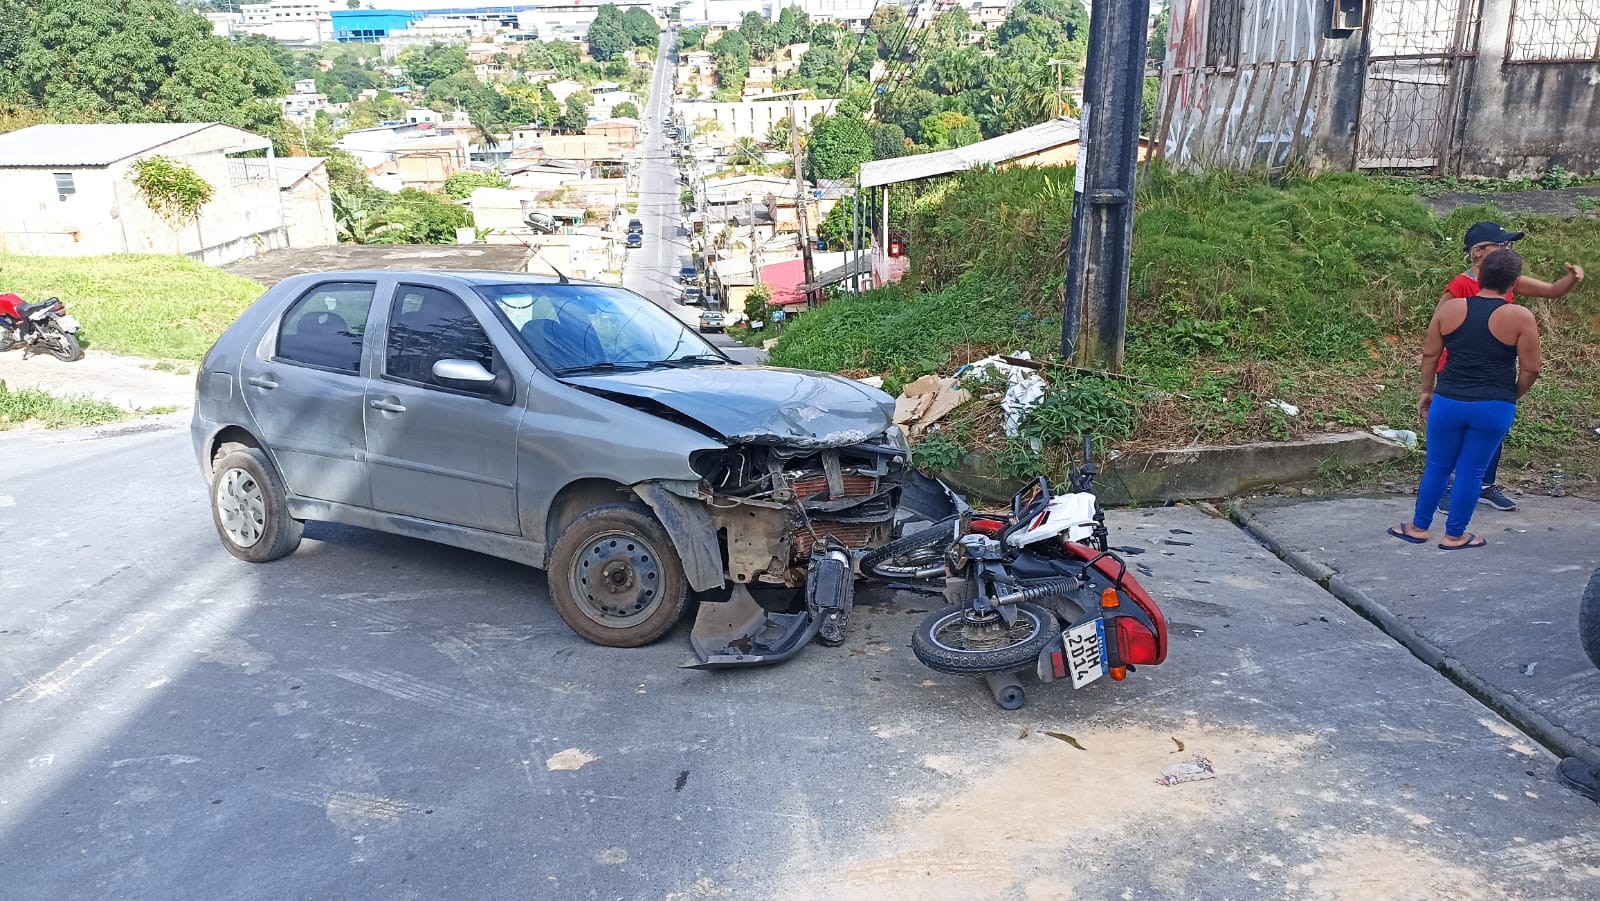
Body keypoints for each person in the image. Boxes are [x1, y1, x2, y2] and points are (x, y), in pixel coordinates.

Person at [1390, 249, 1541, 550]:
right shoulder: (1520, 316)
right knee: (1472, 471)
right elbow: (1532, 369)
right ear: (1513, 283)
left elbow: (1430, 354)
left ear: (1479, 275)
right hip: (1494, 405)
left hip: (1448, 401)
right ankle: (1455, 535)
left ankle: (1419, 527)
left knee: (1437, 466)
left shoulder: (1450, 309)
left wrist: (1426, 391)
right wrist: (1511, 395)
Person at [1435, 222, 1584, 512]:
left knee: (1493, 430)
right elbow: (1438, 326)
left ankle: (1484, 486)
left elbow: (1553, 291)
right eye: (1500, 245)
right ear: (1478, 252)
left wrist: (1572, 278)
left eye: (1509, 246)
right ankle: (1449, 487)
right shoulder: (1461, 285)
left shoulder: (1508, 280)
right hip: (1459, 370)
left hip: (1496, 368)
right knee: (1460, 431)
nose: (1507, 250)